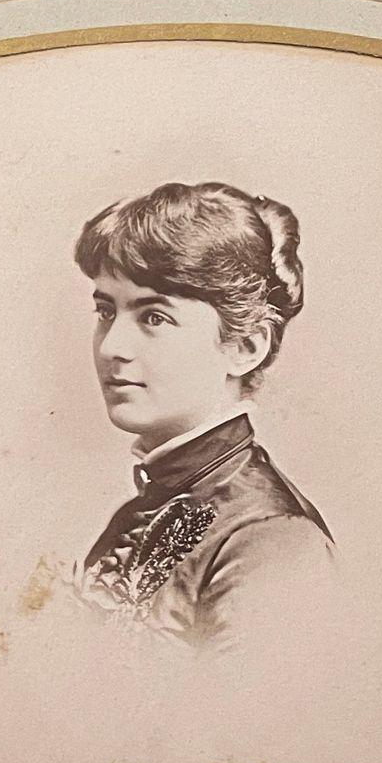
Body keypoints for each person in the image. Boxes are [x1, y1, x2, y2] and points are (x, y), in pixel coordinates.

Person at [68, 180, 336, 656]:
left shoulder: (270, 539)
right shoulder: (143, 510)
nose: (111, 347)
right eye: (106, 311)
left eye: (154, 317)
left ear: (245, 346)